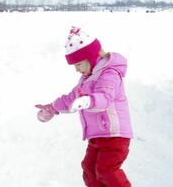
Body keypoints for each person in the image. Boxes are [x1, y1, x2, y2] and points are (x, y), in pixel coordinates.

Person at [35, 26, 133, 186]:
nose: (76, 69)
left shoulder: (110, 74)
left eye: (79, 64)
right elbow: (69, 100)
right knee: (89, 169)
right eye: (74, 65)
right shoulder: (86, 80)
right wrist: (52, 108)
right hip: (98, 136)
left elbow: (105, 98)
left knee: (106, 170)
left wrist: (88, 101)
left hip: (115, 136)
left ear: (92, 57)